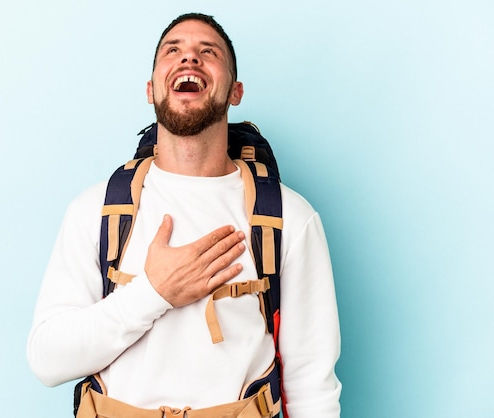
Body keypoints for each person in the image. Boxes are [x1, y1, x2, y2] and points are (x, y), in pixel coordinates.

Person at [27, 12, 341, 418]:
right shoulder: (96, 210)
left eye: (207, 52)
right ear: (150, 88)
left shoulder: (289, 217)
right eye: (172, 51)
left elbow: (311, 385)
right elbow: (47, 360)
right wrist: (154, 292)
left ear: (235, 91)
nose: (188, 59)